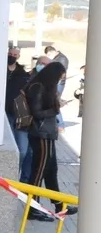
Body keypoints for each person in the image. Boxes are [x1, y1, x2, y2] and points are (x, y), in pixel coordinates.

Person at [25, 61, 78, 221]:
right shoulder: (38, 87)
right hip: (41, 135)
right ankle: (33, 209)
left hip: (46, 134)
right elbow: (37, 112)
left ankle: (59, 205)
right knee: (39, 172)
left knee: (51, 171)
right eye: (60, 79)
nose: (60, 82)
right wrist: (56, 108)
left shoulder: (40, 86)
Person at [6, 46, 33, 183]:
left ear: (19, 56)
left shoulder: (23, 74)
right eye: (10, 53)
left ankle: (15, 174)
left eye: (15, 54)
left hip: (19, 116)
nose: (12, 56)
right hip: (4, 114)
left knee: (22, 149)